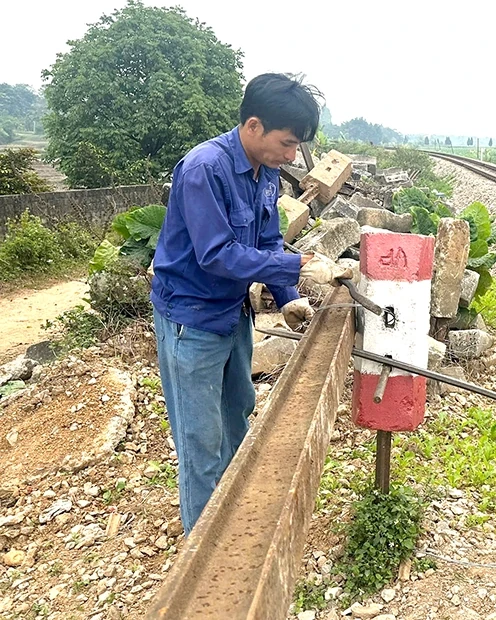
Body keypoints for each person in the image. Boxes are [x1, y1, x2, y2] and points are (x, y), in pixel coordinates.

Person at [151, 73, 345, 535]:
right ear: (253, 126)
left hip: (232, 314)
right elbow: (216, 254)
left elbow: (268, 239)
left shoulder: (266, 171)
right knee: (200, 441)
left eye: (297, 146)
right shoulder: (205, 169)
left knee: (238, 409)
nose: (292, 155)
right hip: (192, 318)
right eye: (287, 143)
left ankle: (232, 514)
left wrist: (289, 298)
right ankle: (203, 544)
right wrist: (296, 268)